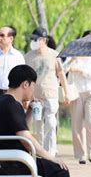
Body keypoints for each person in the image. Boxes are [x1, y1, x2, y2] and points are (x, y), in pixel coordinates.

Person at [25, 27, 71, 157]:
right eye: (33, 39)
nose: (33, 41)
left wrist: (66, 92)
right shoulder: (28, 56)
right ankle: (40, 153)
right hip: (36, 98)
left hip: (51, 95)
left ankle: (50, 153)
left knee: (51, 123)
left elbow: (61, 73)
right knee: (38, 126)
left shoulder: (54, 54)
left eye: (36, 39)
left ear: (44, 40)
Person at [63, 30, 91, 164]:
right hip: (76, 92)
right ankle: (82, 154)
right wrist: (72, 61)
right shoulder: (75, 53)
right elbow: (63, 69)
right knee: (77, 124)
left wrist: (80, 70)